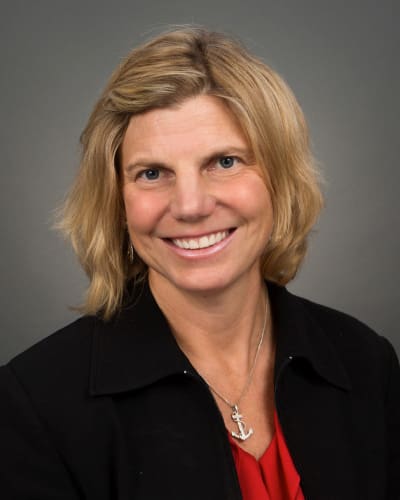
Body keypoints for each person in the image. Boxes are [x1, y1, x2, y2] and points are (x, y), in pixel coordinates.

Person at [0, 27, 399, 500]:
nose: (190, 205)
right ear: (116, 201)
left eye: (225, 162)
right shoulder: (34, 402)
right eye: (152, 173)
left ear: (280, 178)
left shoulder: (366, 362)